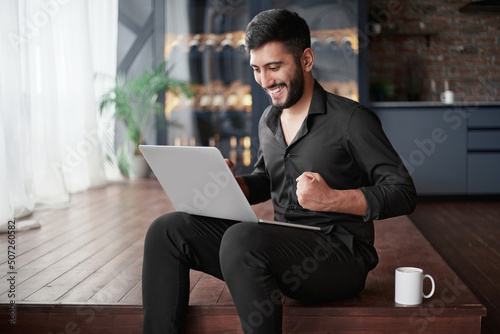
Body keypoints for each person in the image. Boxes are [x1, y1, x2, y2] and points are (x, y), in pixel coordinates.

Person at [142, 9, 416, 334]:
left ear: (307, 60)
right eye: (257, 69)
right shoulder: (269, 121)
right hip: (279, 252)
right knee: (166, 230)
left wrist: (332, 199)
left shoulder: (351, 120)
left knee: (243, 238)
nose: (265, 80)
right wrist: (236, 185)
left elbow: (403, 192)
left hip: (340, 257)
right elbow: (266, 178)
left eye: (274, 67)